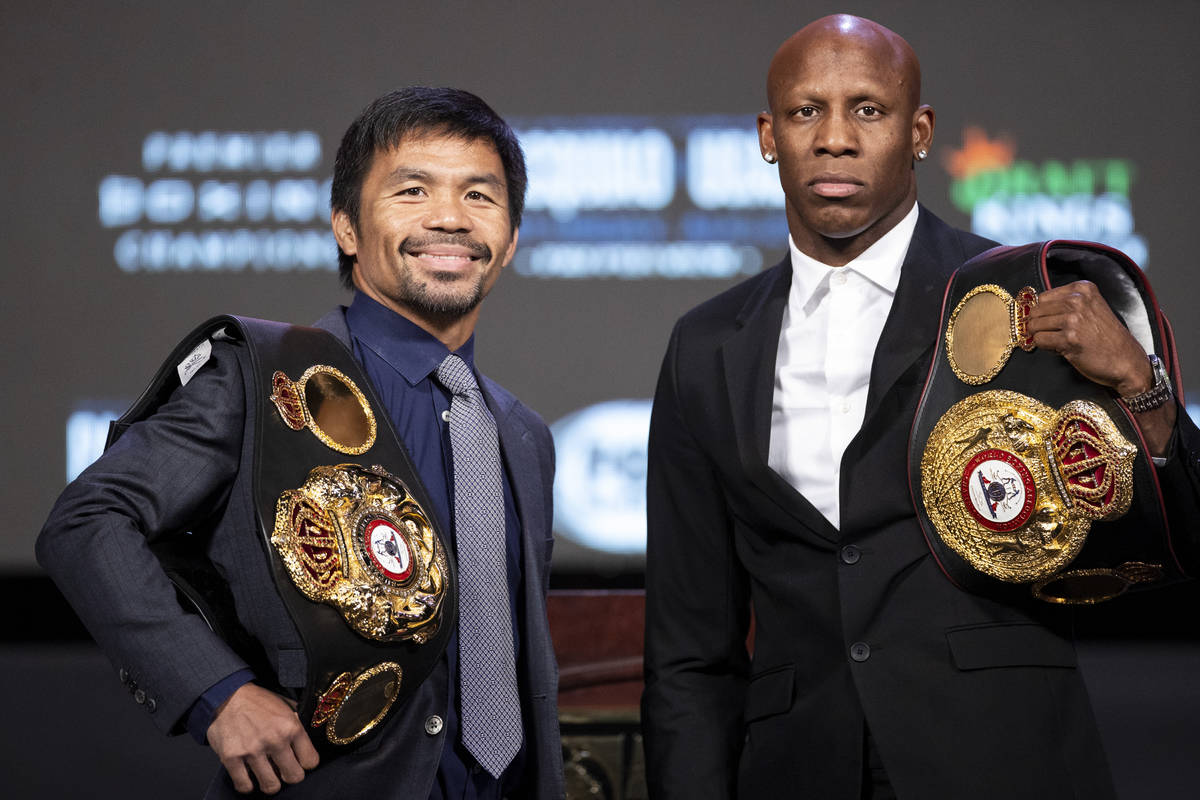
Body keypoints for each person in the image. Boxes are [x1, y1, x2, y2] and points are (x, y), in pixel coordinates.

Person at [640, 14, 1200, 800]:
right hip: (797, 768)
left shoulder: (1019, 295)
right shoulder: (705, 346)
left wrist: (1141, 387)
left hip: (1002, 760)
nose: (835, 137)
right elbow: (688, 650)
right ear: (769, 136)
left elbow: (1176, 546)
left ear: (920, 130)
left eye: (867, 109)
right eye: (806, 111)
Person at [38, 87, 564, 799]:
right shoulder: (263, 376)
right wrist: (215, 692)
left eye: (480, 196)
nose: (449, 218)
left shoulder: (522, 433)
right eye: (412, 191)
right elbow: (86, 522)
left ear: (510, 238)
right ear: (346, 227)